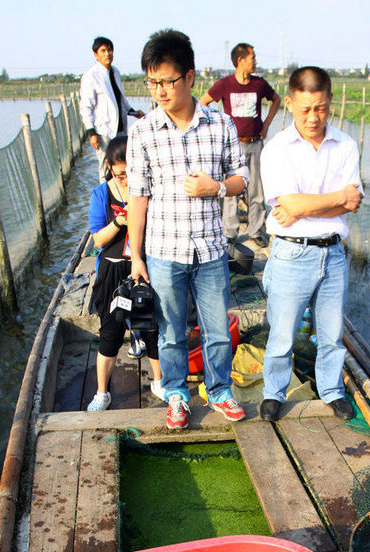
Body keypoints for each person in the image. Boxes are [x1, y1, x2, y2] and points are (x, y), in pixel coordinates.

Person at [126, 29, 249, 431]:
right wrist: (137, 257)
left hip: (211, 250)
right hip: (164, 251)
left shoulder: (220, 124)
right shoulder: (143, 132)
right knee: (170, 331)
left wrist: (215, 187)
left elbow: (241, 178)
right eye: (153, 82)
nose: (160, 90)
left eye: (167, 81)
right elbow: (138, 198)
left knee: (217, 330)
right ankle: (176, 393)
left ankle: (220, 391)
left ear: (190, 77)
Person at [259, 66, 363, 422]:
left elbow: (353, 202)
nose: (313, 117)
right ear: (288, 103)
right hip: (291, 252)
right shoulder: (277, 149)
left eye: (320, 107)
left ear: (330, 101)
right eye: (304, 109)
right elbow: (294, 206)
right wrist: (331, 200)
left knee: (332, 333)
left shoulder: (346, 144)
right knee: (283, 333)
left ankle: (332, 391)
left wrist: (303, 206)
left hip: (333, 253)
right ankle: (273, 392)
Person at [87, 136, 162, 412]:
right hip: (113, 268)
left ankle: (159, 381)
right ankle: (102, 392)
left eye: (132, 171)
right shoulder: (100, 195)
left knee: (151, 326)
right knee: (110, 331)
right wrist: (121, 219)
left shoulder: (148, 189)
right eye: (120, 173)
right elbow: (98, 239)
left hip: (142, 264)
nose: (127, 178)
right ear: (109, 167)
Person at [199, 43, 280, 248]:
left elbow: (276, 100)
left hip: (255, 143)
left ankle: (255, 231)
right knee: (230, 189)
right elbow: (203, 102)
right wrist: (216, 126)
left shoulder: (259, 84)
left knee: (257, 189)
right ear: (240, 61)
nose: (256, 61)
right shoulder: (224, 84)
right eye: (253, 58)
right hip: (232, 146)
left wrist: (267, 123)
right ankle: (230, 232)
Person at [80, 36, 145, 182]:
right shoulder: (91, 76)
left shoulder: (115, 72)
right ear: (96, 55)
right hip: (104, 130)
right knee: (106, 166)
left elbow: (119, 99)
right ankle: (106, 199)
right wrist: (92, 133)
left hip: (120, 128)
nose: (107, 54)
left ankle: (123, 196)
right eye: (103, 51)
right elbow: (86, 107)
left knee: (124, 162)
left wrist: (133, 112)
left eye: (109, 50)